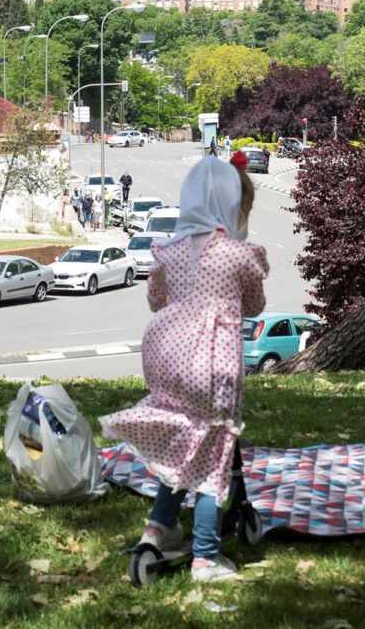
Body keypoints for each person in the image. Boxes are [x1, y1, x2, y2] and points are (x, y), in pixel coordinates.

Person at [100, 153, 268, 583]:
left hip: (167, 356)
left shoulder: (169, 251)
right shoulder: (238, 254)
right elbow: (254, 304)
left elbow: (156, 299)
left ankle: (160, 529)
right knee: (213, 457)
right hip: (213, 363)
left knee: (182, 449)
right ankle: (207, 556)